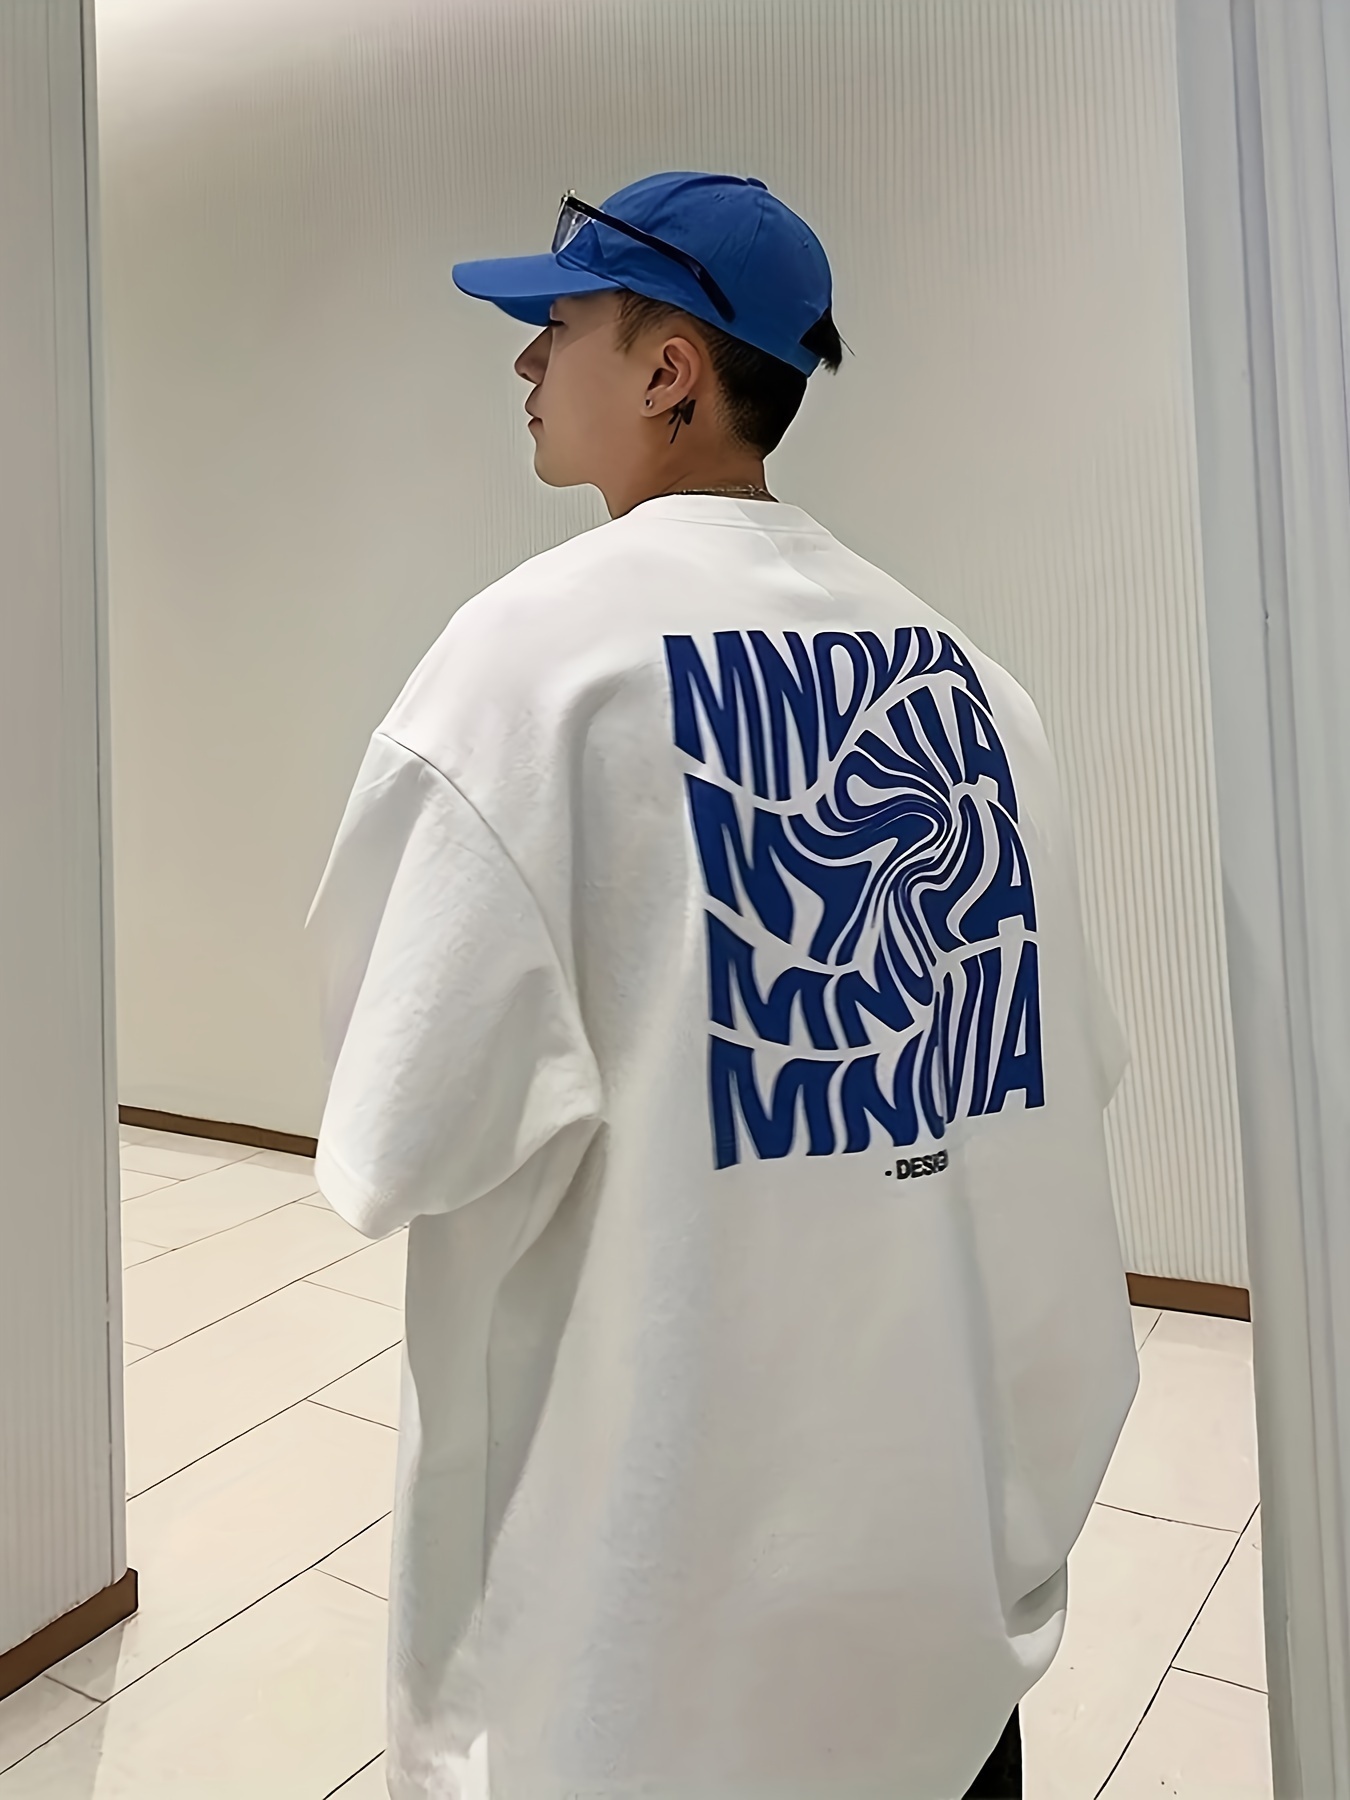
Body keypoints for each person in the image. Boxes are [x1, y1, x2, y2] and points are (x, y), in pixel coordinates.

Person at [308, 171, 1138, 1800]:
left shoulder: (527, 668)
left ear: (670, 370)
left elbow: (400, 1131)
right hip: (936, 1632)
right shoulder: (975, 688)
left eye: (557, 325)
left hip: (650, 1661)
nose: (525, 361)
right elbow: (1053, 1078)